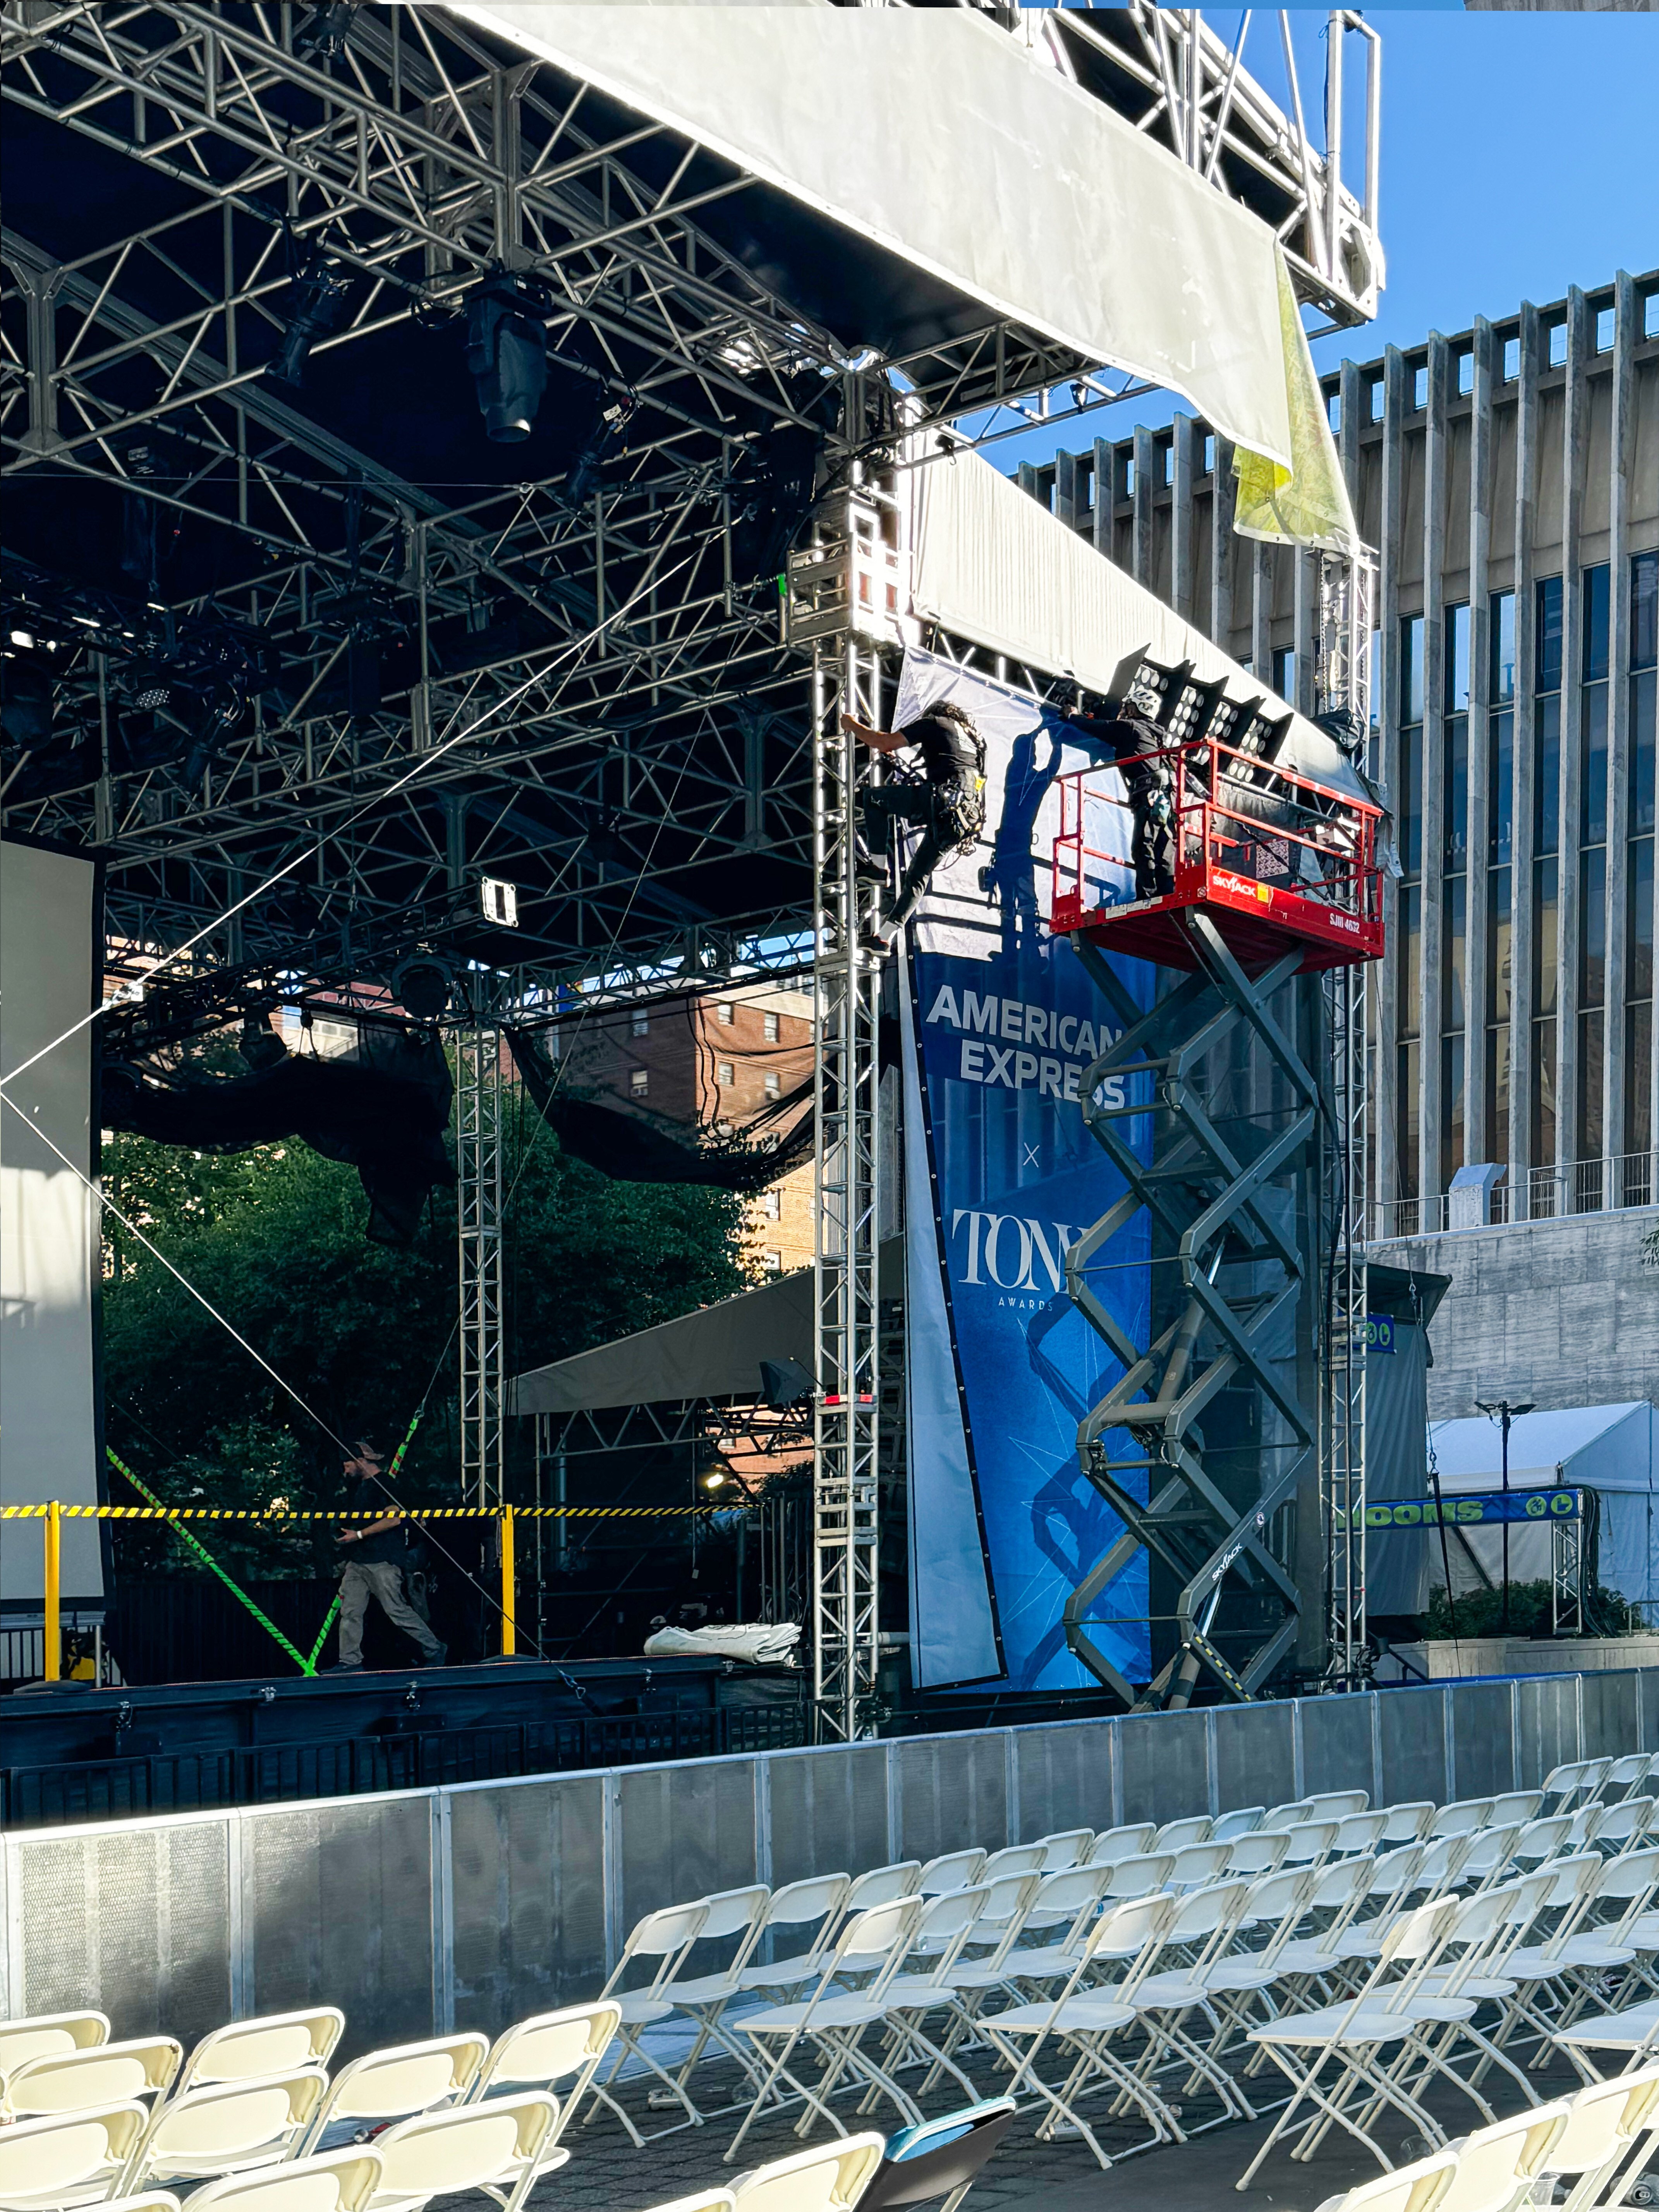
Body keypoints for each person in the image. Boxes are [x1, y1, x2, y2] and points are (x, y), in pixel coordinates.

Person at [843, 697, 987, 945]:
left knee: (874, 799)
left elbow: (884, 743)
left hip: (943, 801)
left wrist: (853, 726)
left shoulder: (935, 723)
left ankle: (878, 867)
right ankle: (885, 938)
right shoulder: (975, 741)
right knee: (918, 876)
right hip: (965, 818)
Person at [326, 1441, 447, 1671]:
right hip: (358, 1561)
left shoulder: (386, 1486)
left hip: (383, 1561)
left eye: (347, 1465)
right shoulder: (358, 1488)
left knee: (397, 1610)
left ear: (361, 1461)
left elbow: (394, 1519)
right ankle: (350, 1661)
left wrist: (359, 1535)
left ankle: (434, 1648)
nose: (345, 1471)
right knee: (350, 1611)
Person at [1058, 685, 1179, 902]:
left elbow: (1100, 728)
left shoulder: (1130, 728)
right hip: (1165, 798)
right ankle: (1167, 894)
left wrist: (1073, 717)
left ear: (1136, 709)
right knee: (1164, 849)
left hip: (1148, 795)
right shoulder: (1155, 736)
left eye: (1128, 706)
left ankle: (1148, 898)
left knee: (1144, 847)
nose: (1124, 711)